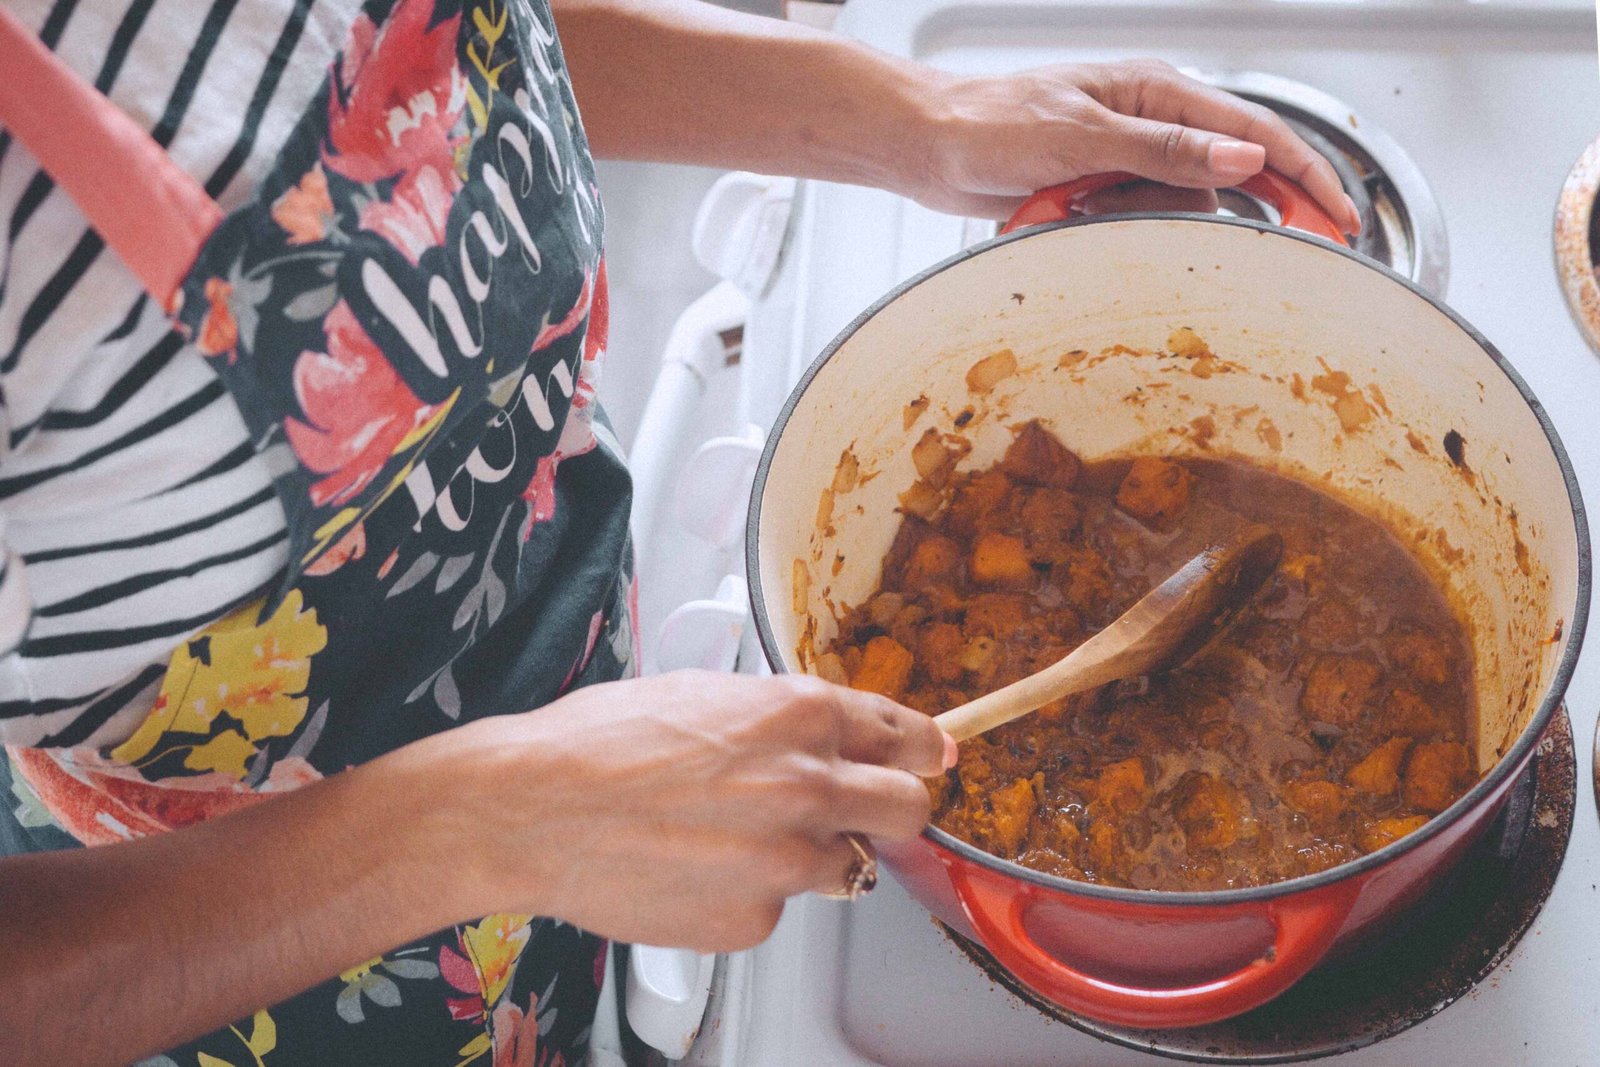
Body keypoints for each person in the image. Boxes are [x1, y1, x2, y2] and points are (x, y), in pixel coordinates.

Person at [0, 0, 1357, 1063]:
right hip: (258, 966)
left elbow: (414, 58)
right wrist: (488, 822)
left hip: (578, 686)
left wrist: (911, 115)